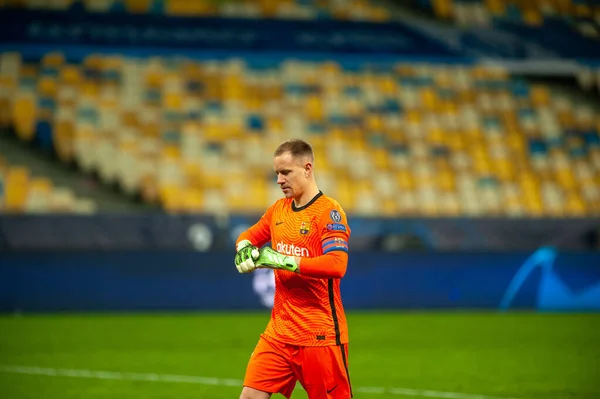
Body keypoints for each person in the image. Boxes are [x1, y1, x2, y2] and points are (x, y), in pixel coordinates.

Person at [234, 138, 353, 399]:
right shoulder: (278, 211)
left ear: (307, 169)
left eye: (285, 172)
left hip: (319, 336)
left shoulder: (329, 212)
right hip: (278, 335)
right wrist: (244, 250)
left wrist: (283, 261)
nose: (279, 180)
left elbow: (337, 264)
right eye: (277, 173)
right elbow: (246, 236)